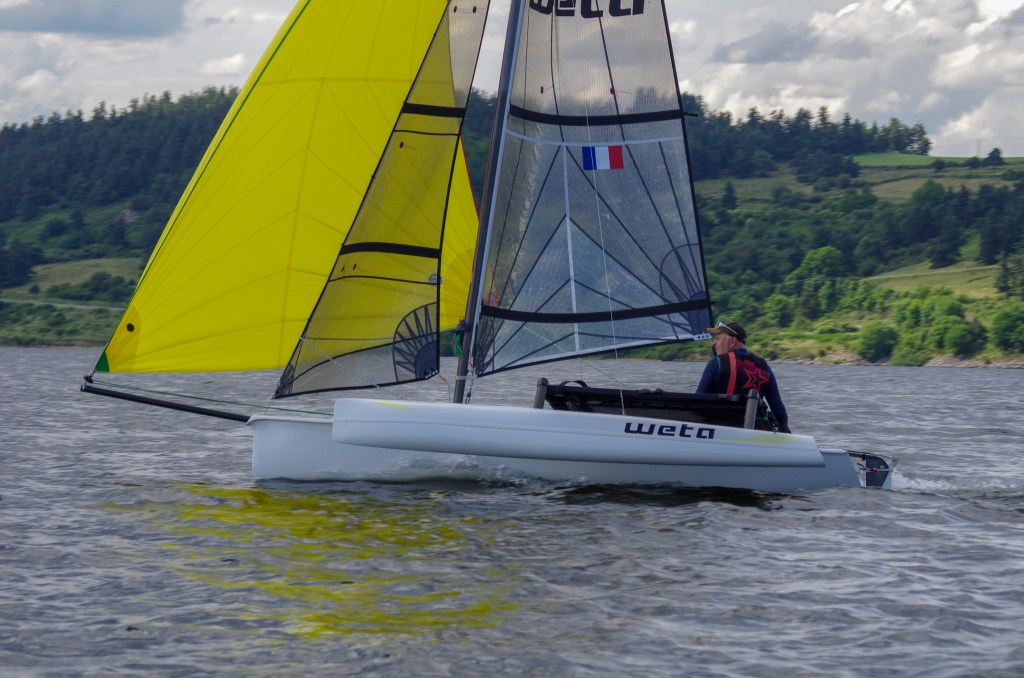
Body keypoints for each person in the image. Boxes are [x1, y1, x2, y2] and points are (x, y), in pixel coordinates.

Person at [696, 321, 790, 433]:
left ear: (732, 341)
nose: (714, 343)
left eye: (718, 338)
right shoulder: (764, 367)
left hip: (720, 432)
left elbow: (697, 404)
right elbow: (779, 412)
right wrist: (785, 432)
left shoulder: (716, 364)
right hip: (753, 434)